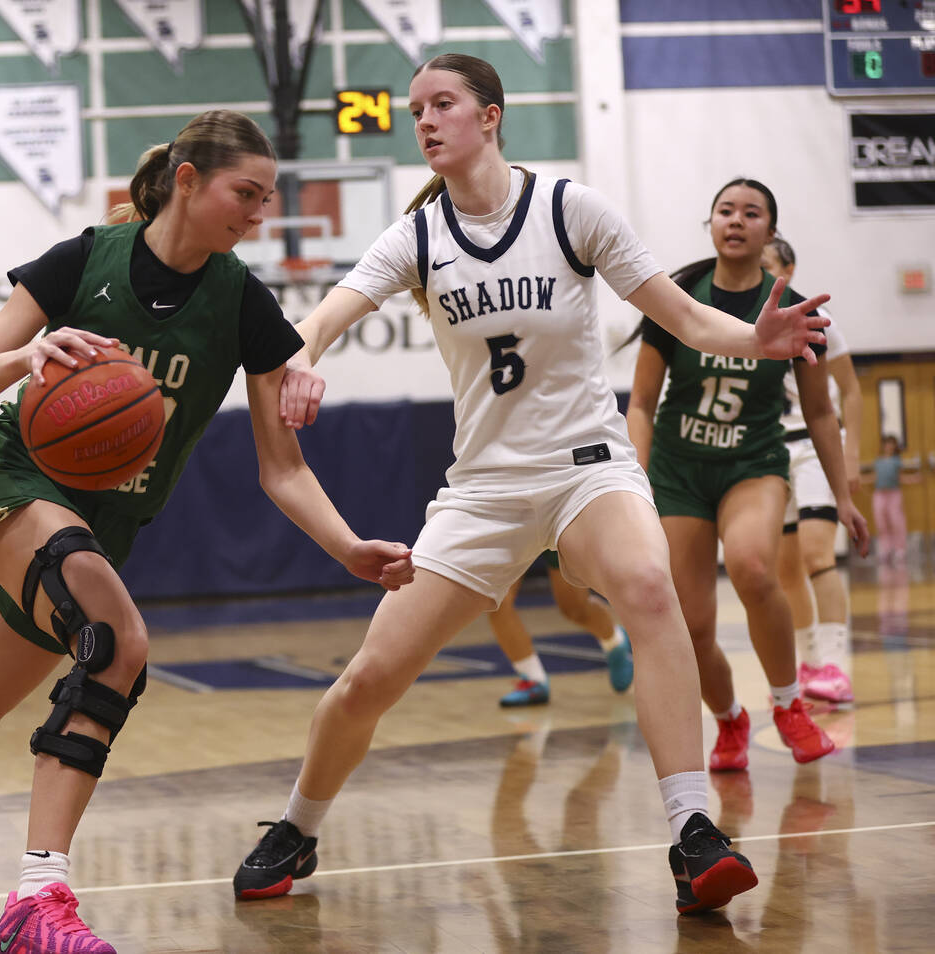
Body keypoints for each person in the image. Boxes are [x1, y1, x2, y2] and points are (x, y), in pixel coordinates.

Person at [0, 110, 414, 954]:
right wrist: (28, 356)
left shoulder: (242, 304)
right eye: (244, 195)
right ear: (187, 179)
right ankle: (38, 899)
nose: (258, 216)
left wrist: (348, 546)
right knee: (116, 641)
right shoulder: (82, 262)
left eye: (266, 199)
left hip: (101, 526)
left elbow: (281, 467)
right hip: (17, 483)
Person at [235, 54, 832, 915]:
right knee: (371, 677)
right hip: (482, 489)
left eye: (442, 105)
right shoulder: (419, 236)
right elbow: (329, 309)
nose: (426, 122)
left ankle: (693, 832)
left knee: (645, 584)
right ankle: (296, 826)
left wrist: (756, 336)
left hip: (585, 467)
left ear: (491, 116)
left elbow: (687, 316)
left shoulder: (568, 208)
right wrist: (301, 358)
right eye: (416, 112)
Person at [626, 178, 869, 778]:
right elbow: (639, 404)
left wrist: (841, 494)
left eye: (751, 212)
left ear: (769, 232)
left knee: (754, 566)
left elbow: (819, 410)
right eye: (725, 210)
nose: (736, 220)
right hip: (680, 470)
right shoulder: (678, 297)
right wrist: (634, 480)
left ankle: (789, 705)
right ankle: (730, 718)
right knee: (692, 623)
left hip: (753, 462)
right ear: (710, 224)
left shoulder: (796, 309)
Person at [762, 237, 863, 705]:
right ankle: (807, 664)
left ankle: (836, 667)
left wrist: (852, 456)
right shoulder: (745, 322)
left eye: (769, 263)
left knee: (817, 556)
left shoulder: (819, 320)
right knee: (784, 569)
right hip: (770, 450)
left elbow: (851, 392)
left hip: (814, 446)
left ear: (790, 267)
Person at [493, 551, 632, 707]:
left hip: (551, 527)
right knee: (496, 599)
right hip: (513, 528)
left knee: (574, 609)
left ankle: (614, 641)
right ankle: (533, 679)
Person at [871, 434, 918, 565]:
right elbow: (874, 477)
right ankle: (885, 549)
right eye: (887, 443)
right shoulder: (878, 461)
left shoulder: (897, 461)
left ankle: (900, 549)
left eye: (891, 444)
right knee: (881, 521)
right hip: (879, 494)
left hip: (894, 494)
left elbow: (900, 477)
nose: (889, 446)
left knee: (896, 521)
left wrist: (913, 479)